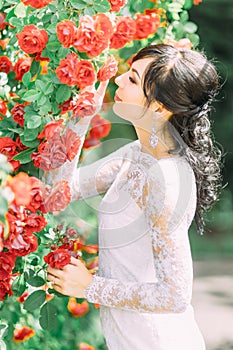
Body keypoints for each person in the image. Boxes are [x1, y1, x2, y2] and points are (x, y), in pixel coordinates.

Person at [46, 44, 222, 349]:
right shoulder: (136, 155)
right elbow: (58, 193)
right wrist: (82, 116)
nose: (117, 81)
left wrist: (90, 287)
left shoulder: (168, 180)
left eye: (131, 79)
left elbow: (175, 296)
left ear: (158, 107)